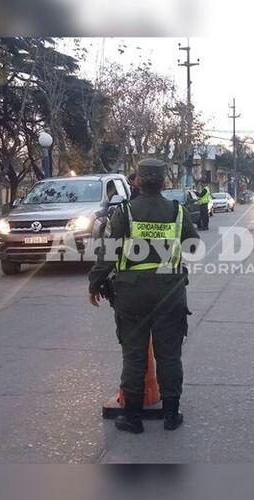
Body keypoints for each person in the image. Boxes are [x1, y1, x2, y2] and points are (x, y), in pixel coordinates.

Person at [88, 158, 200, 434]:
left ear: (136, 181)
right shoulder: (177, 211)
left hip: (132, 294)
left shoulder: (124, 212)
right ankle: (171, 416)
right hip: (170, 291)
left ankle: (132, 418)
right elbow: (194, 246)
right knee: (169, 355)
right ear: (164, 183)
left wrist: (94, 283)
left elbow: (108, 255)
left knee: (134, 354)